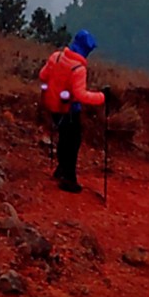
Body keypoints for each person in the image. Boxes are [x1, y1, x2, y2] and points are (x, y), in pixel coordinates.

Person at [38, 29, 111, 193]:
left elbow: (43, 75)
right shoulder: (78, 69)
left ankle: (61, 170)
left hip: (53, 106)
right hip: (69, 111)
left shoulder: (56, 57)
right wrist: (102, 97)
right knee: (72, 142)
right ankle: (68, 179)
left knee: (63, 138)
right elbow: (80, 95)